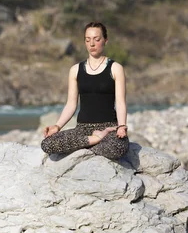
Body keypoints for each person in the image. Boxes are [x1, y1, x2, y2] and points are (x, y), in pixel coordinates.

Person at [41, 22, 129, 160]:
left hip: (109, 128)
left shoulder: (115, 68)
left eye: (97, 39)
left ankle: (86, 144)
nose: (92, 44)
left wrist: (122, 126)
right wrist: (57, 126)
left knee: (117, 148)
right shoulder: (75, 70)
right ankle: (94, 140)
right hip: (82, 129)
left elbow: (120, 102)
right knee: (47, 144)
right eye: (88, 40)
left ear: (105, 40)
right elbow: (71, 104)